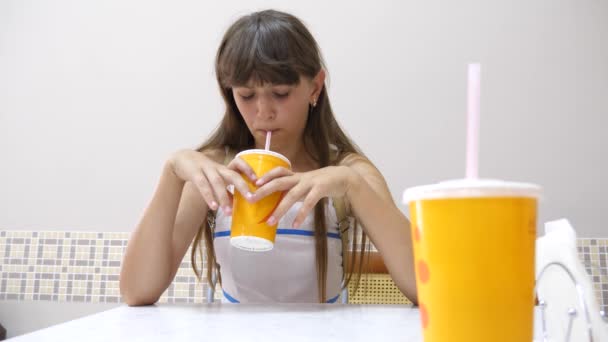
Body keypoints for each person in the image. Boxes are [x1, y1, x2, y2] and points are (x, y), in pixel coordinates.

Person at [119, 9, 417, 305]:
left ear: (314, 86)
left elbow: (425, 288)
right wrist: (171, 173)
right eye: (247, 96)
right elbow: (137, 292)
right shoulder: (214, 172)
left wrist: (354, 187)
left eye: (281, 93)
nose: (263, 112)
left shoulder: (347, 172)